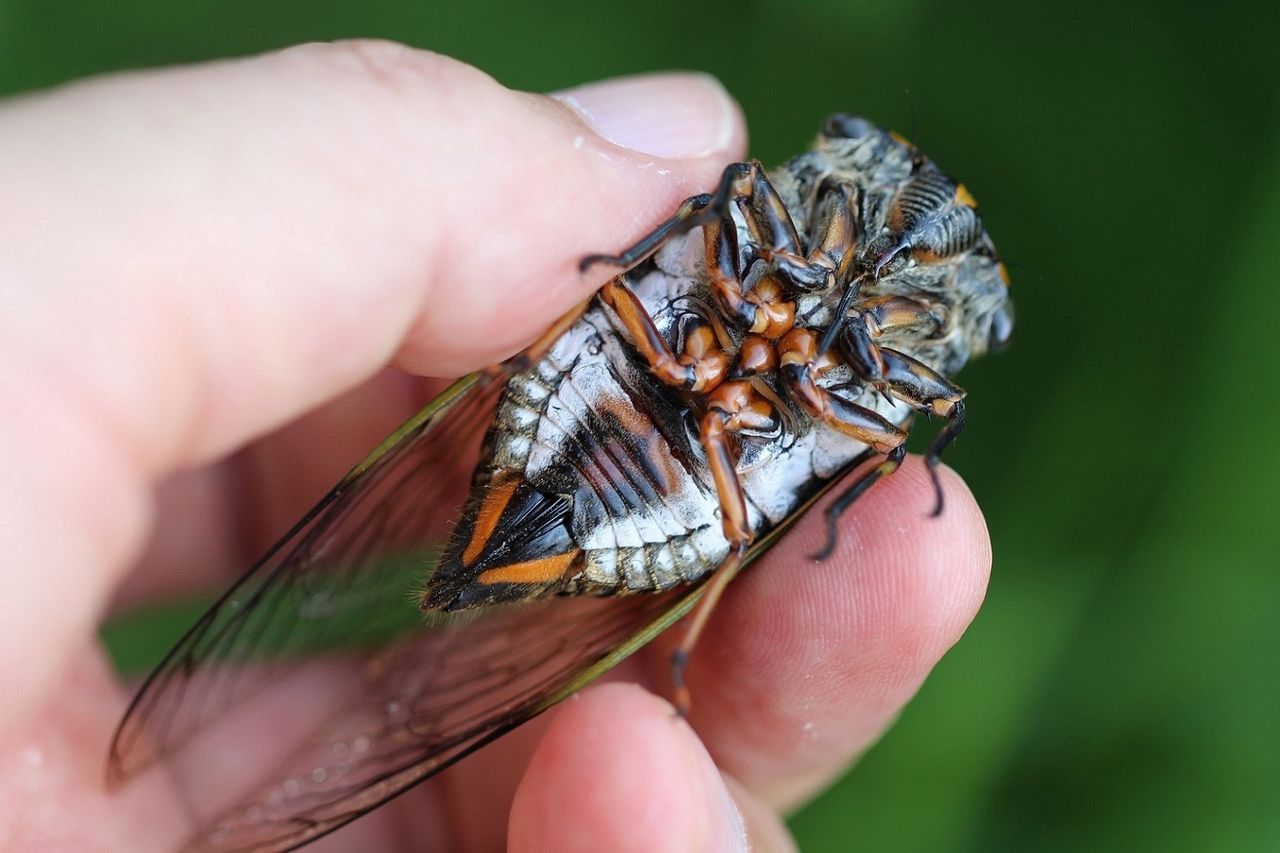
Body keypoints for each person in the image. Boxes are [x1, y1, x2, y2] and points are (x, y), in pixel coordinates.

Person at [0, 41, 991, 851]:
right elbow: (718, 203)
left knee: (758, 554)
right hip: (617, 388)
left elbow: (871, 445)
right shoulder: (776, 227)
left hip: (685, 468)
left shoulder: (894, 387)